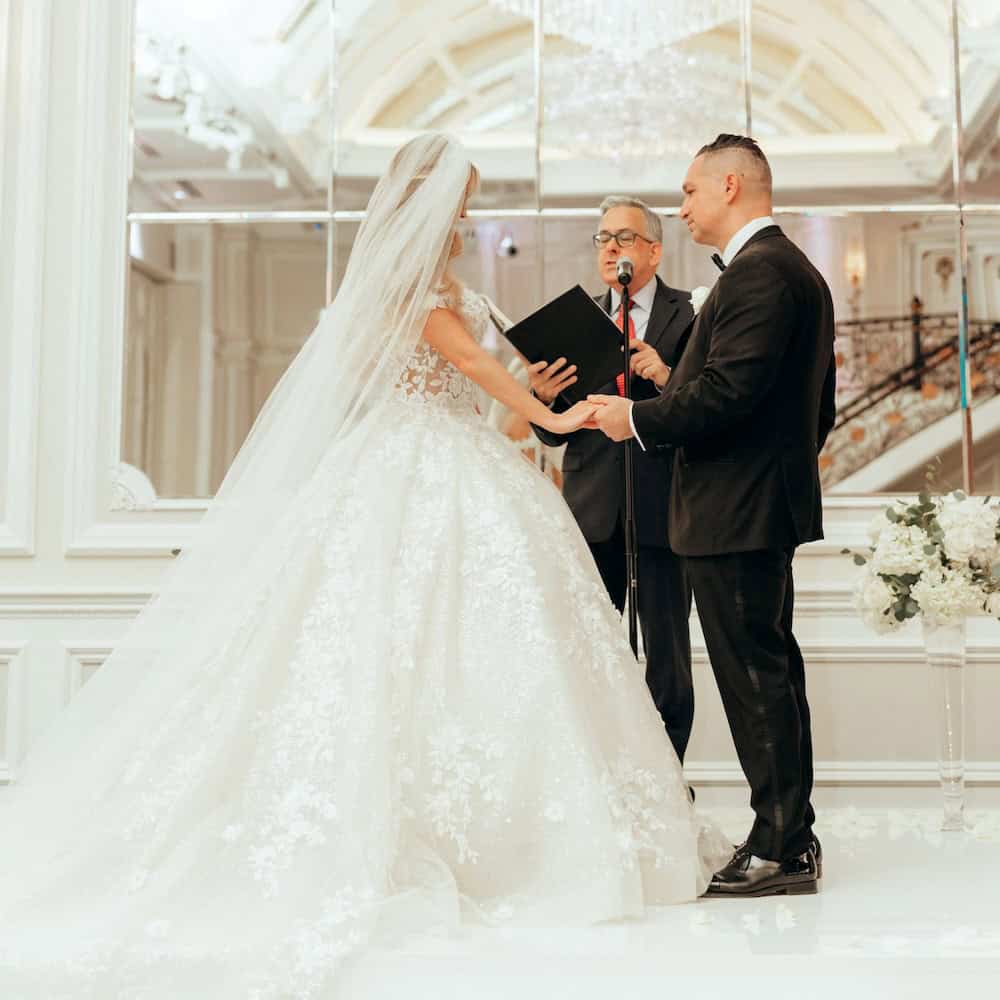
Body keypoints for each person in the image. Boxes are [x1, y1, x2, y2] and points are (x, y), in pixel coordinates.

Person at [0, 134, 729, 997]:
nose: (465, 218)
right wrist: (560, 417)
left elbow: (480, 379)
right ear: (426, 201)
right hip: (418, 470)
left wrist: (531, 382)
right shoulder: (410, 290)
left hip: (455, 461)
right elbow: (465, 366)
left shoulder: (449, 288)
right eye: (460, 201)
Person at [589, 134, 837, 898]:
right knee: (767, 674)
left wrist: (636, 419)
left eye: (691, 192)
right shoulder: (776, 272)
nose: (683, 207)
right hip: (750, 505)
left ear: (731, 186)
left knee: (755, 680)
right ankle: (789, 833)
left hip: (737, 511)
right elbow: (812, 410)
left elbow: (728, 395)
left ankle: (781, 846)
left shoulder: (763, 275)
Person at [529, 196, 696, 764]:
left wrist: (667, 376)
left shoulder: (692, 315)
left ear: (653, 249)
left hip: (665, 509)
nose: (610, 250)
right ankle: (601, 776)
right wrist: (542, 399)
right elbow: (553, 435)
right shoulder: (575, 322)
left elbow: (706, 411)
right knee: (589, 653)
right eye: (602, 239)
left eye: (623, 238)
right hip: (591, 509)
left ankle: (666, 783)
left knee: (668, 658)